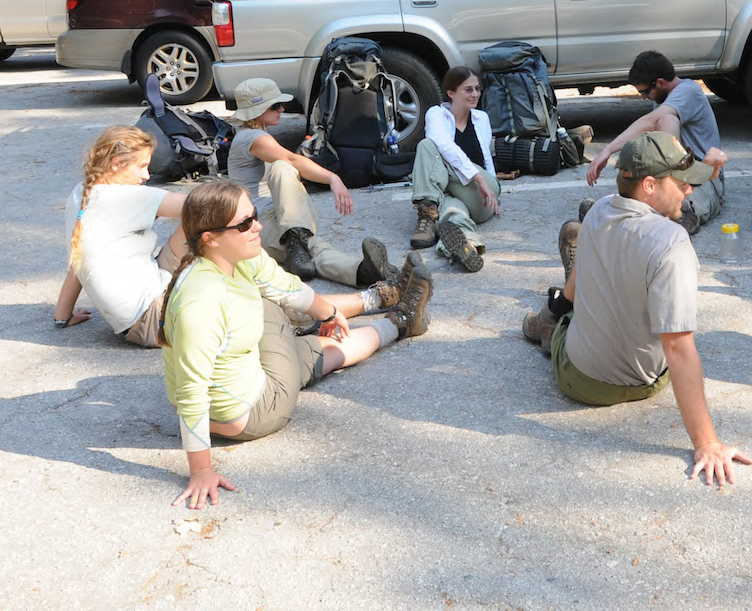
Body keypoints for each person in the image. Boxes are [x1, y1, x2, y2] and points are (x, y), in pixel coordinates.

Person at [162, 179, 433, 509]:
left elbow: (288, 286)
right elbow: (191, 393)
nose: (258, 226)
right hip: (255, 410)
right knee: (280, 313)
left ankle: (398, 320)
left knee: (316, 345)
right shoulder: (201, 302)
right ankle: (390, 306)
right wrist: (202, 470)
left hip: (247, 376)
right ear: (210, 238)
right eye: (245, 223)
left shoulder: (233, 258)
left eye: (254, 215)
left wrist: (330, 313)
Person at [541, 131, 752, 487]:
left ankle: (549, 319)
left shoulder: (599, 209)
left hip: (580, 379)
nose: (689, 190)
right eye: (682, 183)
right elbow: (678, 348)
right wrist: (707, 443)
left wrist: (562, 307)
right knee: (599, 299)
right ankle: (551, 319)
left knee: (570, 305)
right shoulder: (673, 244)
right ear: (650, 185)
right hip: (645, 381)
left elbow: (576, 293)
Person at [227, 77, 396, 288]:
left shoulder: (255, 134)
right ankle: (298, 240)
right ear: (258, 111)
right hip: (256, 223)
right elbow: (292, 160)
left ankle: (361, 272)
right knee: (283, 167)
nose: (282, 109)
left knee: (313, 248)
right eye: (275, 106)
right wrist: (333, 178)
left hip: (276, 219)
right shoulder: (252, 138)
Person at [51, 125, 186, 346]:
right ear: (116, 164)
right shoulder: (126, 197)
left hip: (138, 322)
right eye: (141, 166)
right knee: (210, 221)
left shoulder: (81, 193)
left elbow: (78, 261)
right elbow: (205, 206)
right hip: (154, 321)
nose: (147, 175)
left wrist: (62, 316)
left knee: (200, 222)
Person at [583, 51, 726, 234]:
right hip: (673, 179)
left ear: (660, 82)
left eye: (644, 91)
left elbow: (649, 121)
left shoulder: (688, 91)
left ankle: (682, 214)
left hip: (705, 177)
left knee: (666, 119)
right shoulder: (664, 99)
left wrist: (607, 150)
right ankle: (620, 211)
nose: (643, 97)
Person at [407, 66, 500, 273]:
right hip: (454, 191)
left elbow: (454, 151)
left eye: (477, 88)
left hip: (481, 192)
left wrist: (482, 180)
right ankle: (467, 246)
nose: (475, 94)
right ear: (451, 93)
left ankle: (426, 210)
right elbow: (444, 144)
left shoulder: (481, 118)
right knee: (452, 212)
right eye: (468, 89)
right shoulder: (437, 114)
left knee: (428, 146)